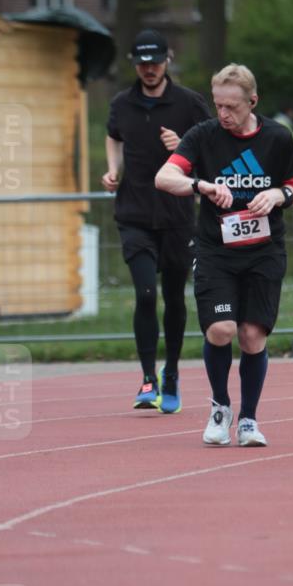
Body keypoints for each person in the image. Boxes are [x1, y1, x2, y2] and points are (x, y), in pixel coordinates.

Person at [155, 63, 293, 447]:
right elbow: (164, 177)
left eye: (232, 107)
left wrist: (276, 195)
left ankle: (249, 420)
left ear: (252, 101)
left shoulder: (277, 138)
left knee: (252, 336)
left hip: (264, 251)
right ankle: (220, 406)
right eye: (218, 105)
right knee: (221, 330)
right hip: (215, 250)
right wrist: (200, 185)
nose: (223, 114)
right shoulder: (203, 136)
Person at [101, 29, 210, 412]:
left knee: (175, 298)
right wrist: (113, 169)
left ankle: (173, 372)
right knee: (146, 293)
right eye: (142, 63)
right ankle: (147, 379)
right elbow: (113, 136)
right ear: (135, 64)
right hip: (134, 214)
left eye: (155, 62)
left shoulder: (189, 103)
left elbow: (211, 149)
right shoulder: (121, 103)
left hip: (177, 216)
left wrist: (182, 147)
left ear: (168, 60)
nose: (149, 69)